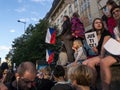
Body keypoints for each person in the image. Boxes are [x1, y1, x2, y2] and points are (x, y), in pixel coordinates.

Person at [82, 18, 111, 88]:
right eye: (96, 23)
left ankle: (93, 85)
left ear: (102, 24)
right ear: (93, 25)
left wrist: (101, 58)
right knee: (84, 63)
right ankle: (91, 82)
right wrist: (94, 48)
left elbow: (103, 47)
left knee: (90, 63)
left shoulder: (106, 33)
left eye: (100, 22)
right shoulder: (93, 35)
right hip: (99, 54)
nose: (98, 24)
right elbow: (97, 50)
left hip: (106, 54)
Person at [100, 5, 120, 90]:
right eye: (113, 13)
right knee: (103, 62)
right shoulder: (116, 29)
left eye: (117, 11)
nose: (115, 13)